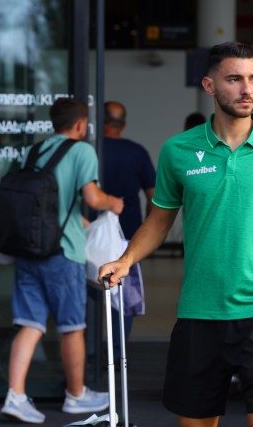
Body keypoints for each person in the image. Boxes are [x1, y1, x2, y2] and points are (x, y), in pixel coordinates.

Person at [98, 42, 253, 427]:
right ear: (209, 85)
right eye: (234, 79)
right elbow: (159, 220)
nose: (247, 89)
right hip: (199, 313)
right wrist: (126, 259)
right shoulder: (178, 150)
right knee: (195, 423)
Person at [1, 97, 124, 424]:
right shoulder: (82, 151)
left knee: (29, 324)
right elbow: (92, 198)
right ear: (81, 125)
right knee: (72, 326)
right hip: (63, 253)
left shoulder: (32, 152)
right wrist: (114, 202)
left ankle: (15, 395)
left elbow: (49, 204)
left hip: (28, 249)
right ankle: (76, 394)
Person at [101, 101, 155, 359]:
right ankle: (117, 352)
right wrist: (147, 230)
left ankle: (91, 351)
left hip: (90, 234)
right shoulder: (137, 152)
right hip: (128, 235)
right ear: (123, 125)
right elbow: (153, 196)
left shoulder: (91, 149)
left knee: (89, 295)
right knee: (122, 295)